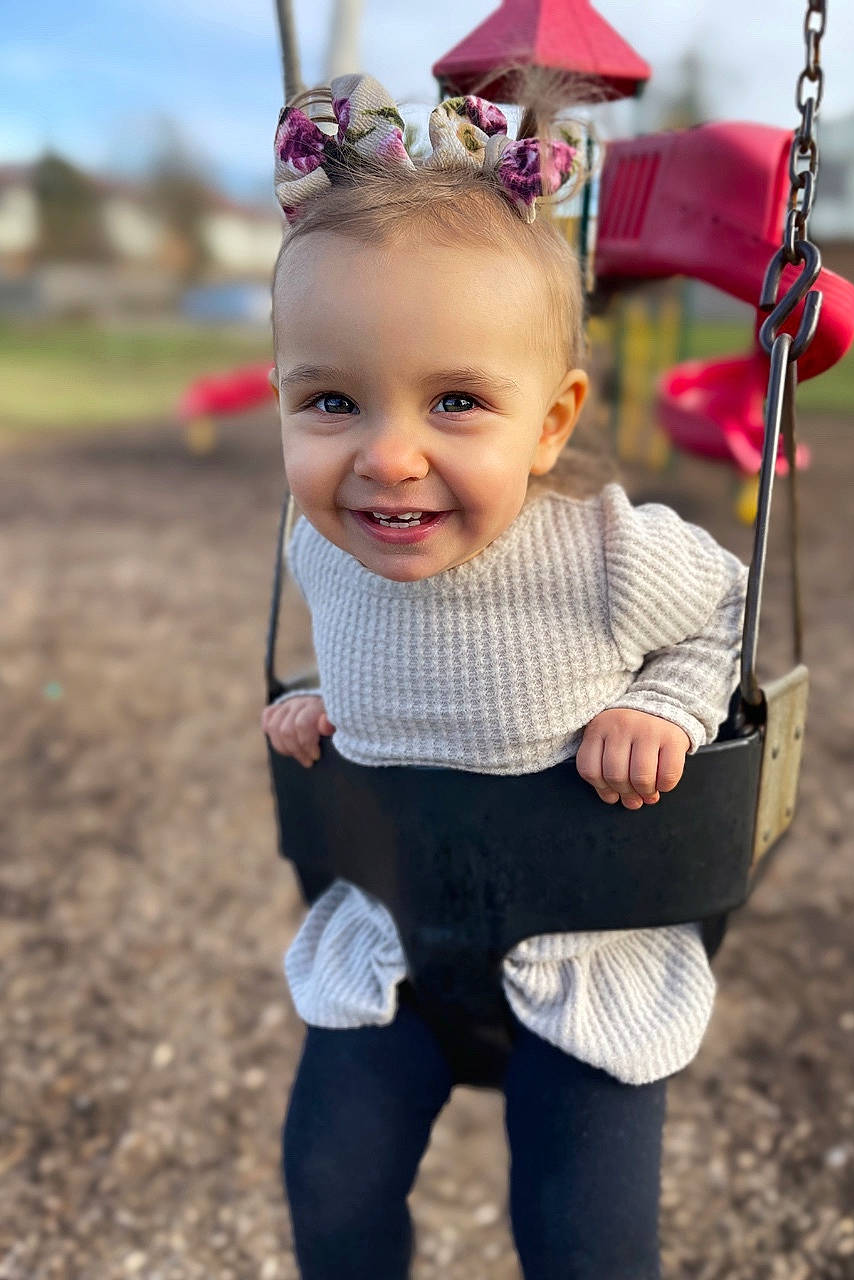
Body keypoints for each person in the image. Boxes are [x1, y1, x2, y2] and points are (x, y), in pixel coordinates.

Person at [262, 72, 748, 1280]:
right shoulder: (313, 542)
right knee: (327, 1181)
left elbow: (729, 614)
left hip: (587, 957)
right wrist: (333, 700)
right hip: (394, 949)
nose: (386, 456)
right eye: (331, 399)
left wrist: (662, 704)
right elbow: (375, 642)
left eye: (458, 401)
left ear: (549, 420)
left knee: (582, 1240)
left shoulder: (608, 553)